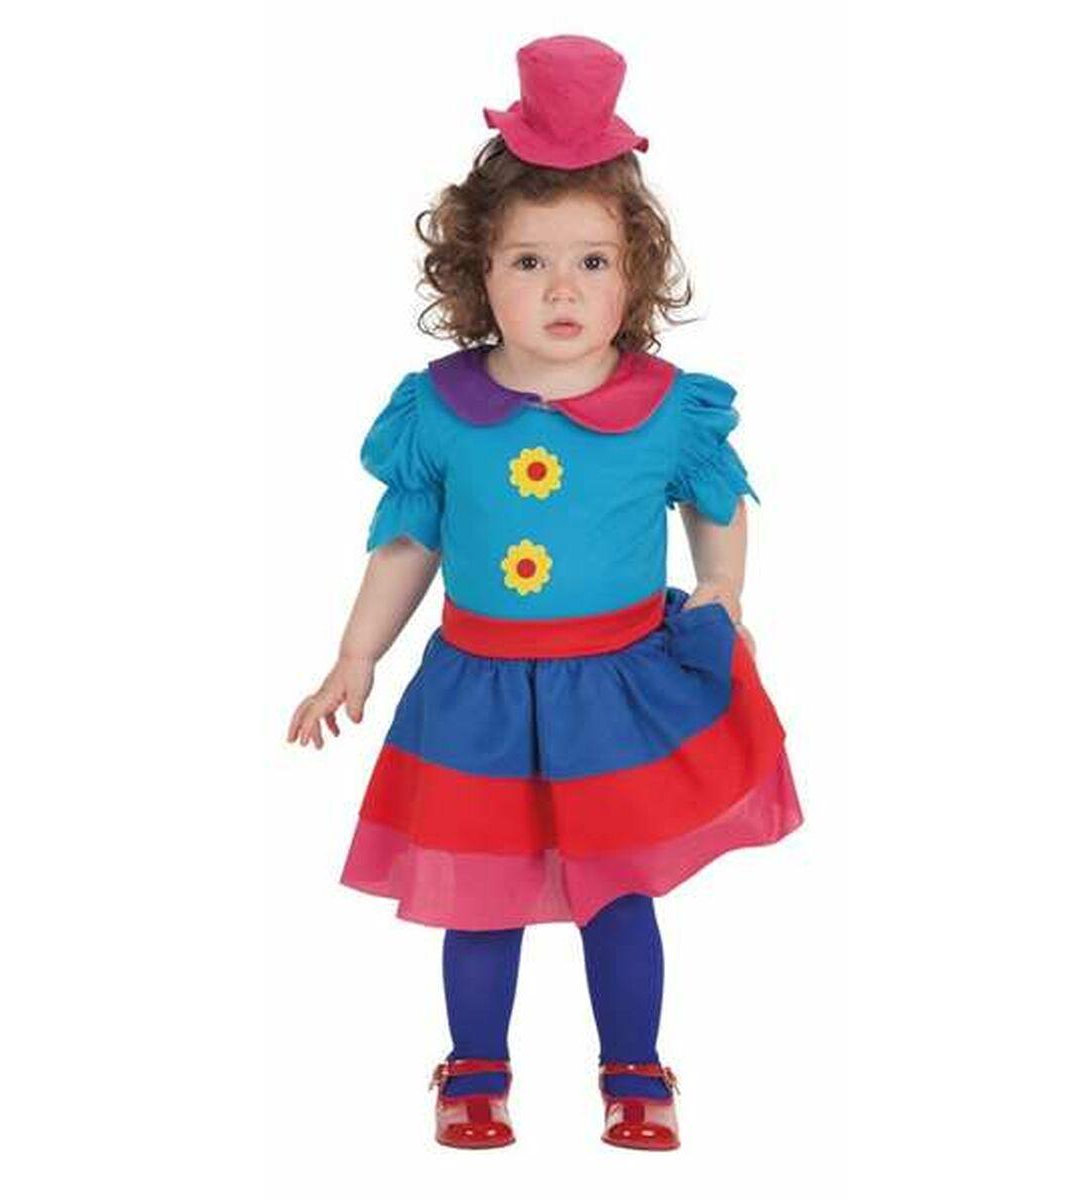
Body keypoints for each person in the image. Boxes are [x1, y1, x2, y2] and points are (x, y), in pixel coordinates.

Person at [286, 34, 804, 1152]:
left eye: (593, 261)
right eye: (528, 262)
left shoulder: (666, 404)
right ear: (477, 273)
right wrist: (356, 656)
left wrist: (721, 585)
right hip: (477, 692)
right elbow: (406, 543)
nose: (562, 288)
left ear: (636, 273)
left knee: (620, 892)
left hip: (615, 692)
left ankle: (635, 1066)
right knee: (477, 894)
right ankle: (474, 1065)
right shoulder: (439, 409)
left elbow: (717, 497)